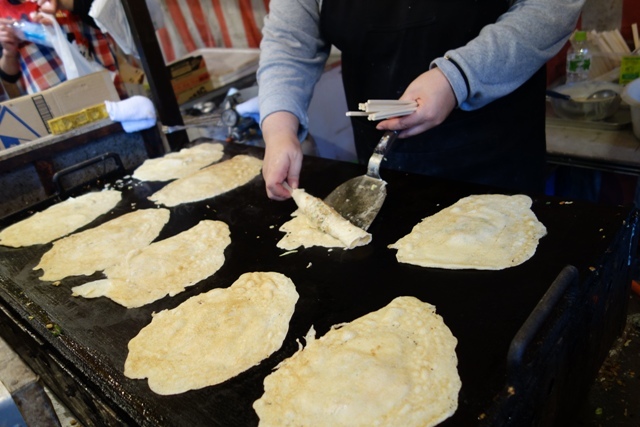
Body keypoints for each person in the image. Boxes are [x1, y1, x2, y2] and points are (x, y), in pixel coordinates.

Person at [257, 0, 585, 201]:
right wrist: (279, 128)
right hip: (382, 162)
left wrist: (456, 78)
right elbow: (289, 44)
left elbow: (549, 8)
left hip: (496, 159)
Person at [0, 0, 119, 96]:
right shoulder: (3, 11)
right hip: (53, 96)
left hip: (101, 76)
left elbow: (109, 16)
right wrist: (9, 52)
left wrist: (64, 3)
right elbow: (8, 76)